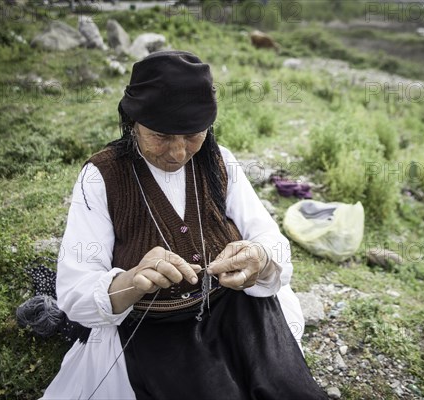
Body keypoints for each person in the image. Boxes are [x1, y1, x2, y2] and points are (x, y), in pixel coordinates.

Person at [41, 50, 327, 399]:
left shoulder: (221, 162)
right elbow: (75, 288)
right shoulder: (101, 177)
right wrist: (131, 281)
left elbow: (268, 236)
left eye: (192, 135)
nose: (178, 153)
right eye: (161, 136)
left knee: (289, 391)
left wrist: (260, 258)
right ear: (133, 123)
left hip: (239, 307)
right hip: (157, 326)